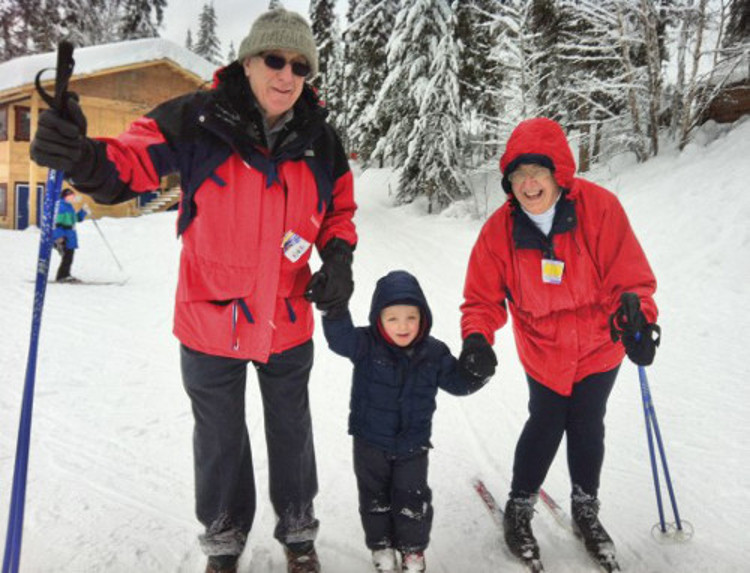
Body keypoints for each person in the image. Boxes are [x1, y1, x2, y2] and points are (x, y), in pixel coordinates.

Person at [30, 8, 357, 573]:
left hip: (287, 315)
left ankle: (298, 531)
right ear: (249, 61)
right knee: (220, 437)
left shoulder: (321, 140)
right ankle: (225, 538)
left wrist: (340, 256)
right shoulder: (198, 119)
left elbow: (340, 212)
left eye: (300, 66)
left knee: (291, 429)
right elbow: (130, 163)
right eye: (274, 60)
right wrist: (82, 155)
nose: (286, 75)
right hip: (212, 315)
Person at [458, 118, 660, 568]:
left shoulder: (599, 209)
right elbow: (481, 298)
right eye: (518, 175)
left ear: (558, 174)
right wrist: (476, 338)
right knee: (547, 420)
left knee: (588, 421)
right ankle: (520, 505)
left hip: (598, 346)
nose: (529, 183)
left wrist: (638, 321)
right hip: (544, 349)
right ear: (509, 182)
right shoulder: (499, 232)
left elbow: (630, 279)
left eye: (538, 172)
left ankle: (586, 508)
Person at [320, 270, 490, 573]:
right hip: (370, 441)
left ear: (423, 317)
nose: (403, 326)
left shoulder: (434, 352)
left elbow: (458, 383)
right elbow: (339, 339)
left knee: (412, 498)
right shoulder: (365, 345)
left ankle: (412, 550)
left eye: (411, 317)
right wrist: (334, 307)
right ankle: (381, 545)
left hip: (412, 443)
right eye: (393, 318)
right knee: (374, 498)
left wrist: (478, 372)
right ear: (379, 319)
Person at [52, 187, 89, 282]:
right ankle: (62, 276)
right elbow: (57, 223)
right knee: (67, 256)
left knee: (69, 256)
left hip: (70, 235)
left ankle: (65, 274)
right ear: (65, 197)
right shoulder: (61, 206)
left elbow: (76, 219)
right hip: (64, 236)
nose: (72, 198)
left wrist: (83, 211)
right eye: (70, 196)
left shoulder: (69, 206)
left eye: (73, 196)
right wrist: (59, 237)